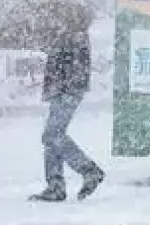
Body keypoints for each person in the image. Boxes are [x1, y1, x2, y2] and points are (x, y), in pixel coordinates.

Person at [30, 18, 104, 203]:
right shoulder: (64, 34)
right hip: (61, 90)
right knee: (52, 137)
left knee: (51, 135)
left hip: (68, 91)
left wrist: (63, 84)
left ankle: (88, 170)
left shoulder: (74, 35)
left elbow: (73, 66)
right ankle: (55, 186)